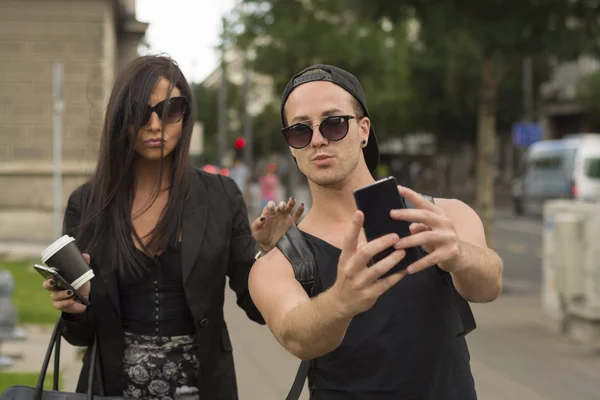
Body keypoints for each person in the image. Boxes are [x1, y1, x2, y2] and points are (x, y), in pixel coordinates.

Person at [42, 55, 304, 400]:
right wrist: (73, 310)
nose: (154, 125)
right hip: (112, 389)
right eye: (140, 112)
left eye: (170, 110)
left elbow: (257, 309)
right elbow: (80, 337)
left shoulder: (220, 197)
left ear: (185, 115)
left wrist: (271, 254)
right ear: (121, 119)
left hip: (203, 387)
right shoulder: (88, 203)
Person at [248, 64, 504, 399]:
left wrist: (459, 254)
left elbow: (489, 287)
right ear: (291, 146)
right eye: (300, 131)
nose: (318, 140)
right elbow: (297, 338)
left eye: (334, 123)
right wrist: (342, 301)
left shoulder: (443, 215)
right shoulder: (278, 263)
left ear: (364, 130)